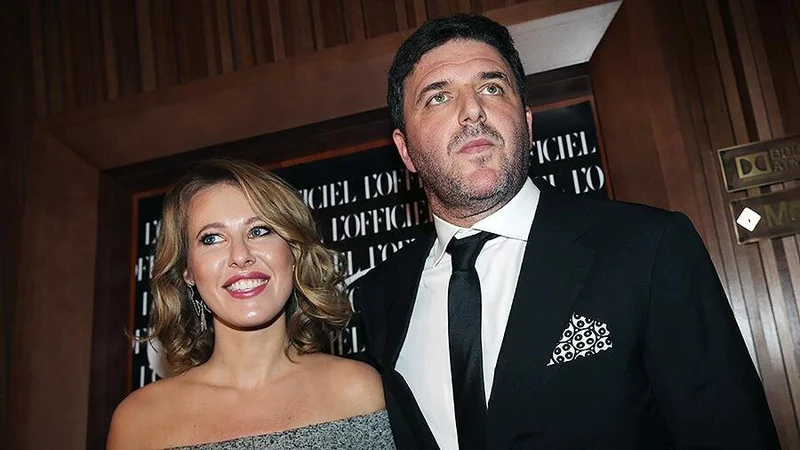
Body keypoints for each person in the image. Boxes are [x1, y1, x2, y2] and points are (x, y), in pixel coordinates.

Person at [353, 13, 779, 450]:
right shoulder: (382, 295)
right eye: (438, 97)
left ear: (527, 123)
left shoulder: (647, 247)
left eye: (492, 87)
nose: (472, 110)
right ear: (406, 151)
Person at [108, 160, 395, 449]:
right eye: (212, 238)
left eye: (259, 231)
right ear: (188, 271)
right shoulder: (138, 421)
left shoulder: (357, 392)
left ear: (293, 252)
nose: (240, 255)